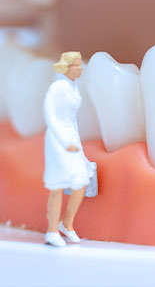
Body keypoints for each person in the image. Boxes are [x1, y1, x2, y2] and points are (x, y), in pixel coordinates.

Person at [43, 51, 92, 247]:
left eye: (80, 65)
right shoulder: (57, 88)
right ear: (66, 67)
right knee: (58, 185)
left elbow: (72, 120)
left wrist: (78, 145)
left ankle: (67, 223)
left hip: (72, 137)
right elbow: (50, 116)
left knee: (80, 182)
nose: (80, 69)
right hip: (57, 139)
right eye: (76, 65)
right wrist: (64, 142)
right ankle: (52, 231)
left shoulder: (73, 87)